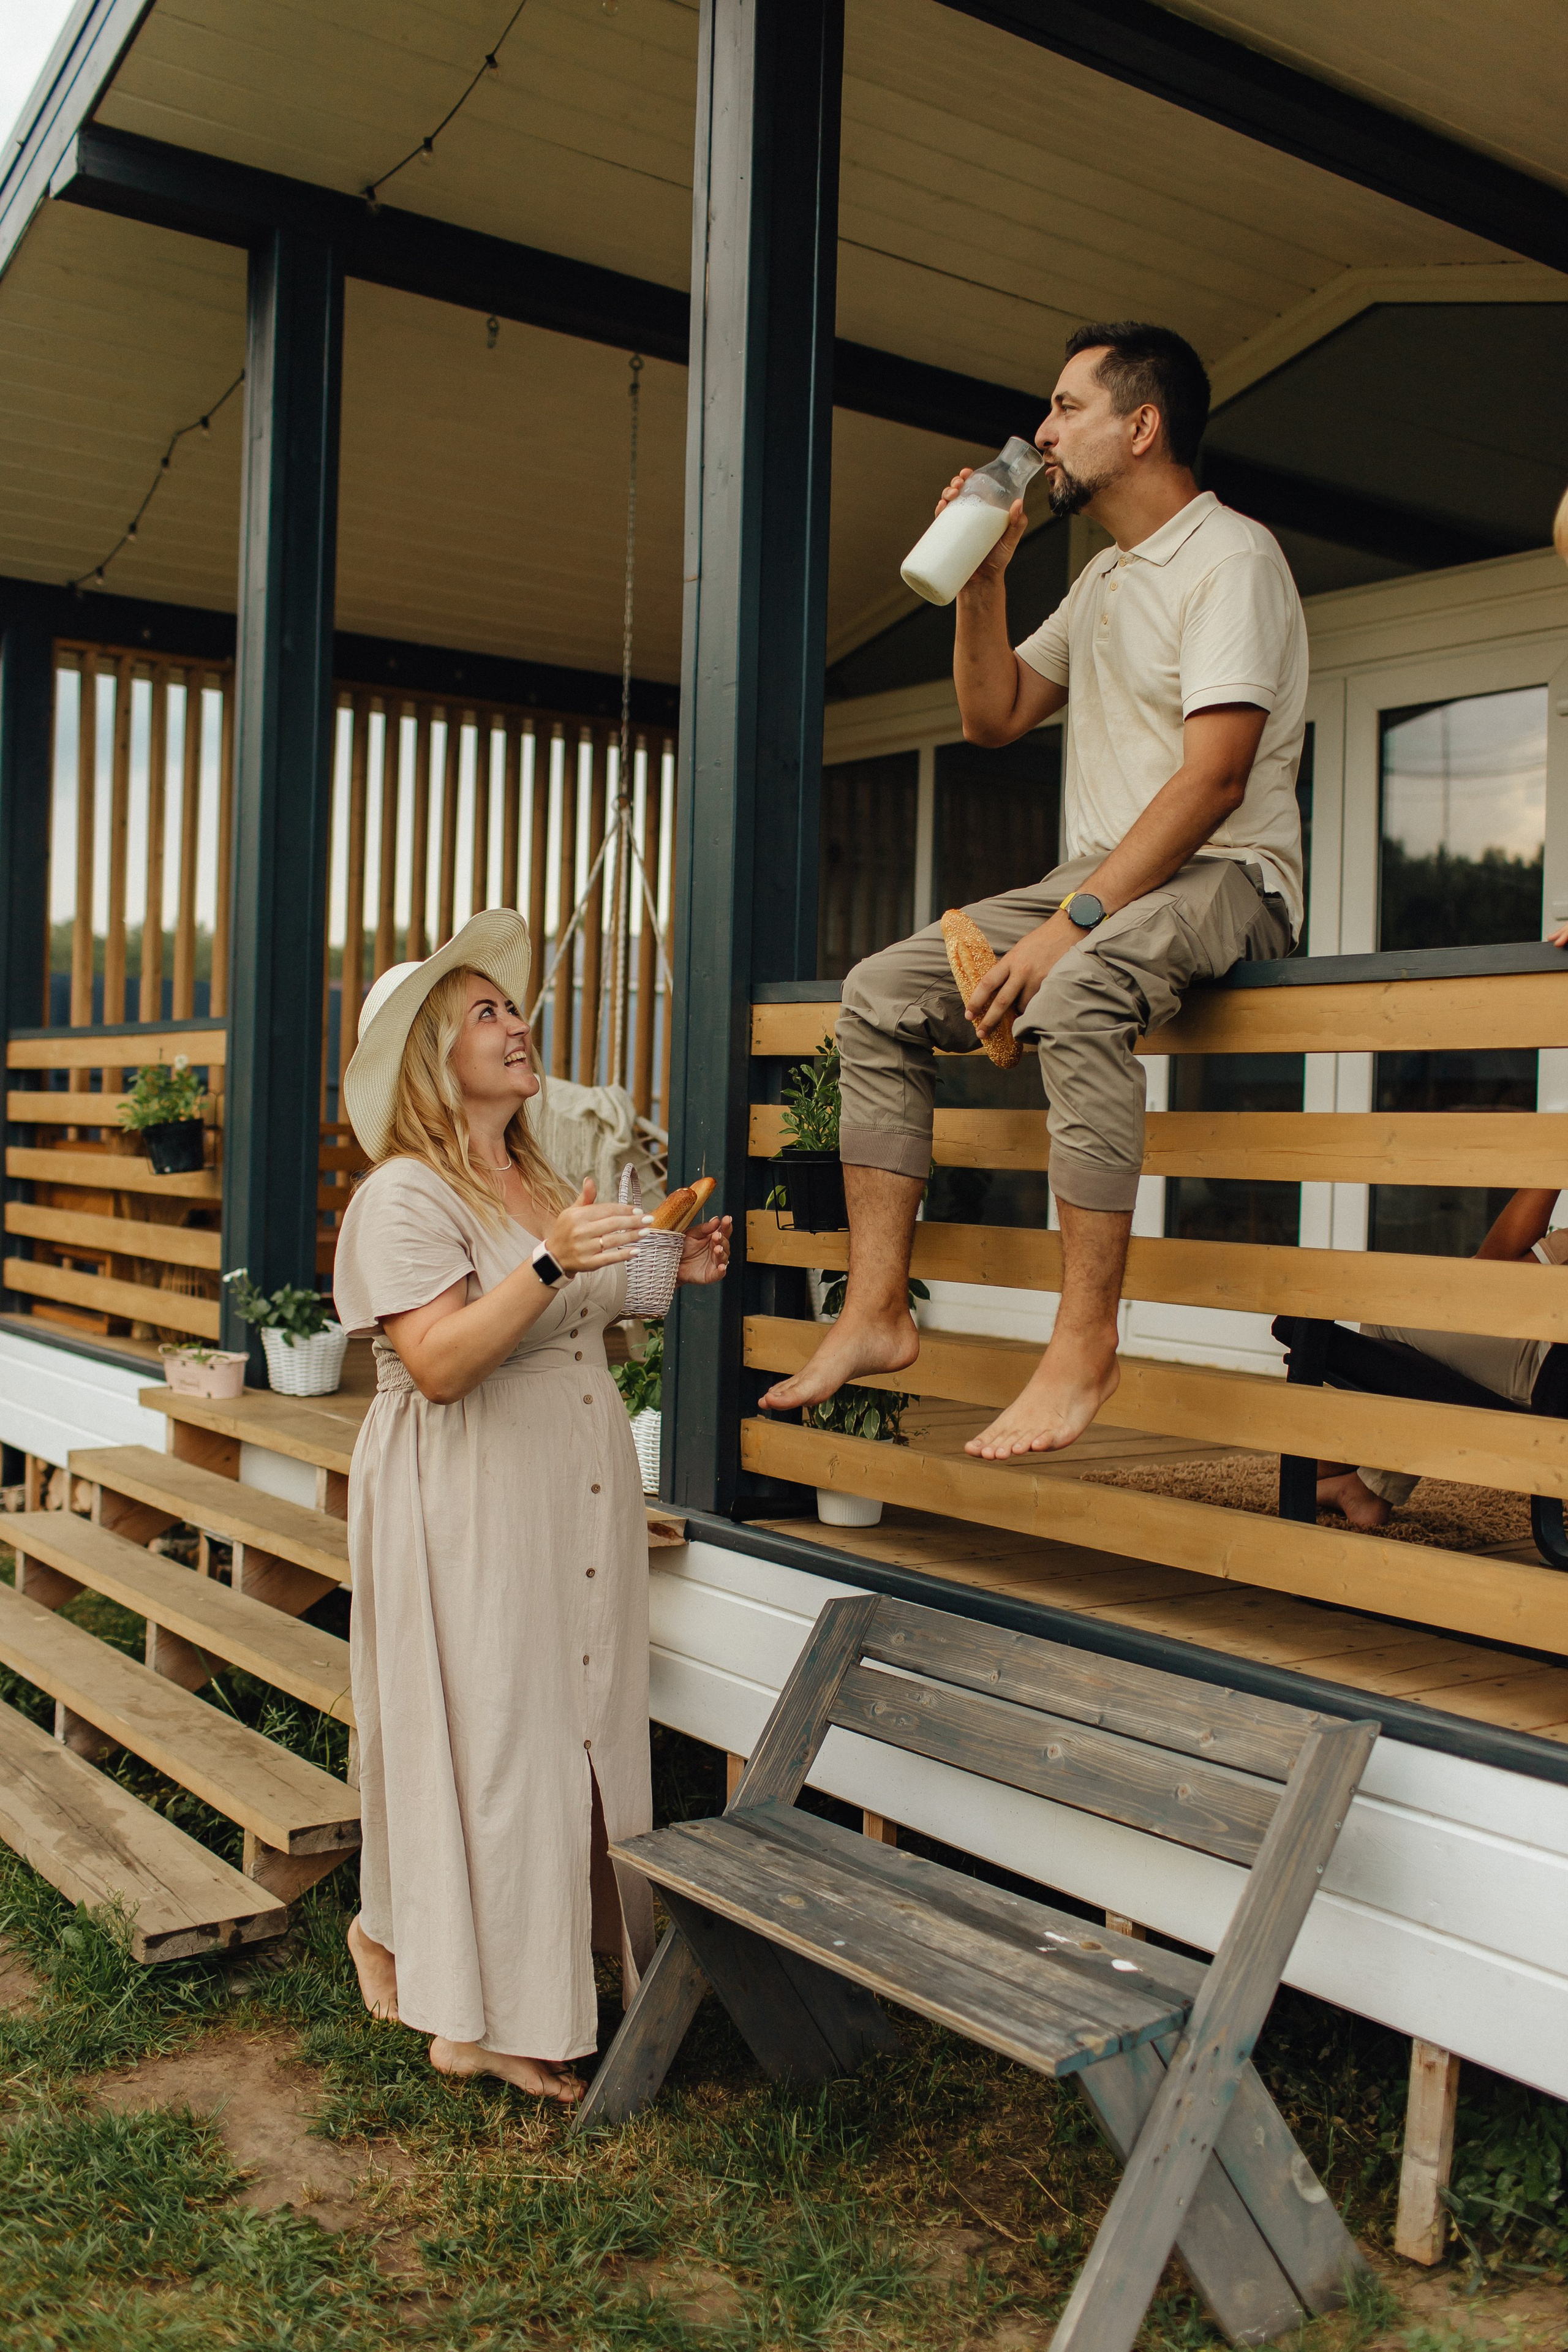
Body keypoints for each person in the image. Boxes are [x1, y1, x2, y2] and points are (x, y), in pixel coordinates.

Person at [762, 319, 1306, 1455]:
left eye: (1065, 408)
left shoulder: (1231, 559)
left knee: (1072, 990)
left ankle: (1083, 1341)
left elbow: (1214, 780)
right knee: (874, 992)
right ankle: (874, 1311)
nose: (1042, 431)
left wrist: (1073, 926)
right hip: (1102, 880)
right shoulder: (1106, 576)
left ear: (1142, 425)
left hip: (1224, 874)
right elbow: (992, 713)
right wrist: (986, 574)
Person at [332, 909, 730, 2106]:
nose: (517, 1026)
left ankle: (553, 1982)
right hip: (468, 1488)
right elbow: (444, 1360)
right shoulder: (402, 1195)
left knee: (580, 1728)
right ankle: (478, 2012)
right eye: (485, 1016)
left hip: (570, 1473)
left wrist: (667, 1268)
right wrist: (555, 1263)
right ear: (429, 1061)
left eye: (510, 1008)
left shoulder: (537, 1172)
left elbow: (584, 1311)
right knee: (501, 1736)